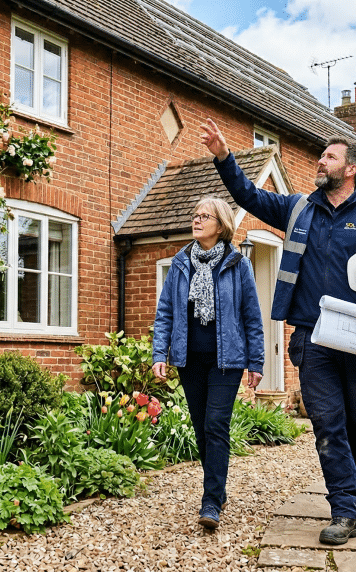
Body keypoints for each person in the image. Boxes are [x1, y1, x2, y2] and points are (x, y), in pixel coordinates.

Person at [201, 118, 356, 545]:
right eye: (321, 155)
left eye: (329, 156)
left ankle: (351, 493)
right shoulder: (298, 208)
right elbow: (248, 195)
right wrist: (224, 156)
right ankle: (344, 509)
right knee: (327, 424)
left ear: (351, 169)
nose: (320, 161)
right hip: (313, 335)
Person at [152, 196, 265, 531]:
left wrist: (256, 362)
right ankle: (218, 488)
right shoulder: (180, 263)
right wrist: (160, 354)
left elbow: (252, 316)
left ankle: (211, 501)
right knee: (202, 428)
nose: (197, 220)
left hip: (226, 360)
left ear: (221, 224)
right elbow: (165, 312)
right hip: (190, 360)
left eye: (205, 216)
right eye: (195, 215)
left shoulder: (237, 264)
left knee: (216, 424)